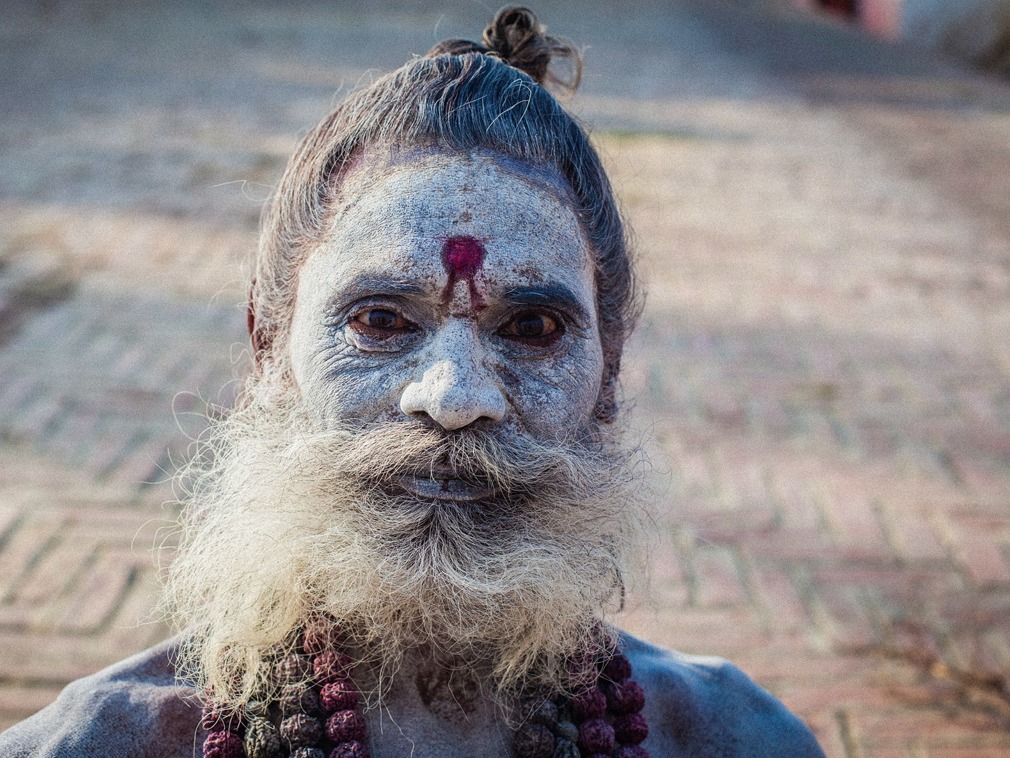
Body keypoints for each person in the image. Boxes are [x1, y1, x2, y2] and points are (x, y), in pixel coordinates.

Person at [0, 7, 825, 757]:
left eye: (532, 329)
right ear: (268, 351)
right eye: (379, 322)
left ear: (607, 372)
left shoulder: (734, 737)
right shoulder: (95, 745)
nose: (455, 397)